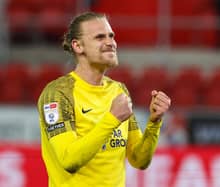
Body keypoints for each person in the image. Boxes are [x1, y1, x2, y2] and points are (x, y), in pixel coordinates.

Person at [37, 12, 171, 187]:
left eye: (111, 36)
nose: (110, 43)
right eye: (100, 37)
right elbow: (68, 160)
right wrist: (112, 118)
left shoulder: (118, 90)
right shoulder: (58, 94)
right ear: (78, 46)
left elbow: (139, 160)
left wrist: (154, 122)